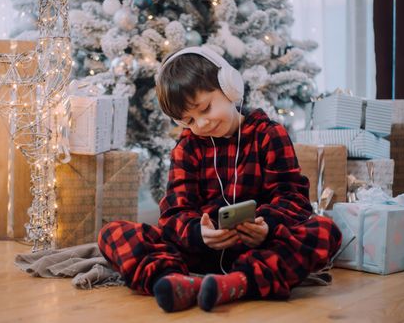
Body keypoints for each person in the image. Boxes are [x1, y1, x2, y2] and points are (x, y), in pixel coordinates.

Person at [98, 46, 342, 312]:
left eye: (205, 108)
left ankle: (238, 283)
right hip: (200, 251)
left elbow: (292, 198)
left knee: (325, 232)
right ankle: (174, 282)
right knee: (113, 233)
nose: (201, 124)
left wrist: (267, 226)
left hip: (258, 250)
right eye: (188, 120)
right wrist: (197, 233)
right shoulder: (187, 147)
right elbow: (175, 212)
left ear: (229, 87)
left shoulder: (269, 135)